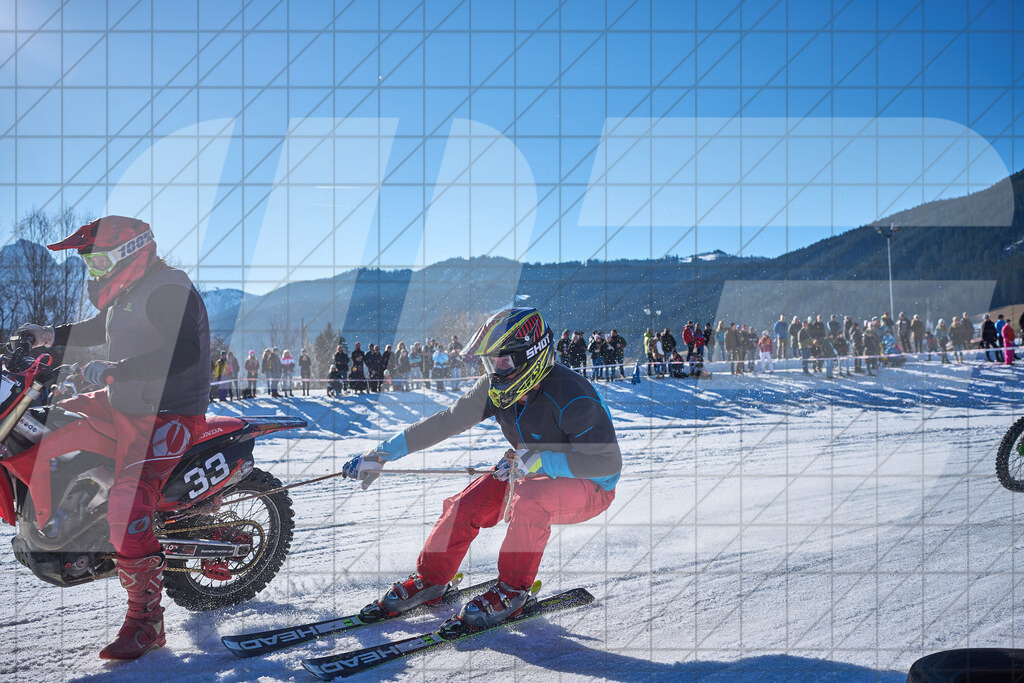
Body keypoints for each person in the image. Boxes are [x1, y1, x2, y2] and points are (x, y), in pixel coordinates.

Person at [341, 308, 620, 629]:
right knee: (465, 504)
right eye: (490, 362)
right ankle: (432, 579)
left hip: (591, 486)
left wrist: (540, 458)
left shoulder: (574, 396)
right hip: (529, 469)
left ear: (531, 355)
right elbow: (445, 422)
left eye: (503, 361)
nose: (494, 370)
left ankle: (512, 591)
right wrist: (381, 454)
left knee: (531, 499)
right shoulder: (496, 388)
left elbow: (606, 463)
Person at [21, 216, 210, 660]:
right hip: (127, 399)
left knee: (128, 500)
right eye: (90, 266)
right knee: (53, 423)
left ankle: (148, 620)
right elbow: (95, 330)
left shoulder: (170, 288)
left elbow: (185, 351)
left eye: (101, 261)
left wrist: (115, 369)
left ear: (133, 252)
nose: (96, 273)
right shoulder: (130, 292)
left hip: (169, 411)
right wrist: (47, 337)